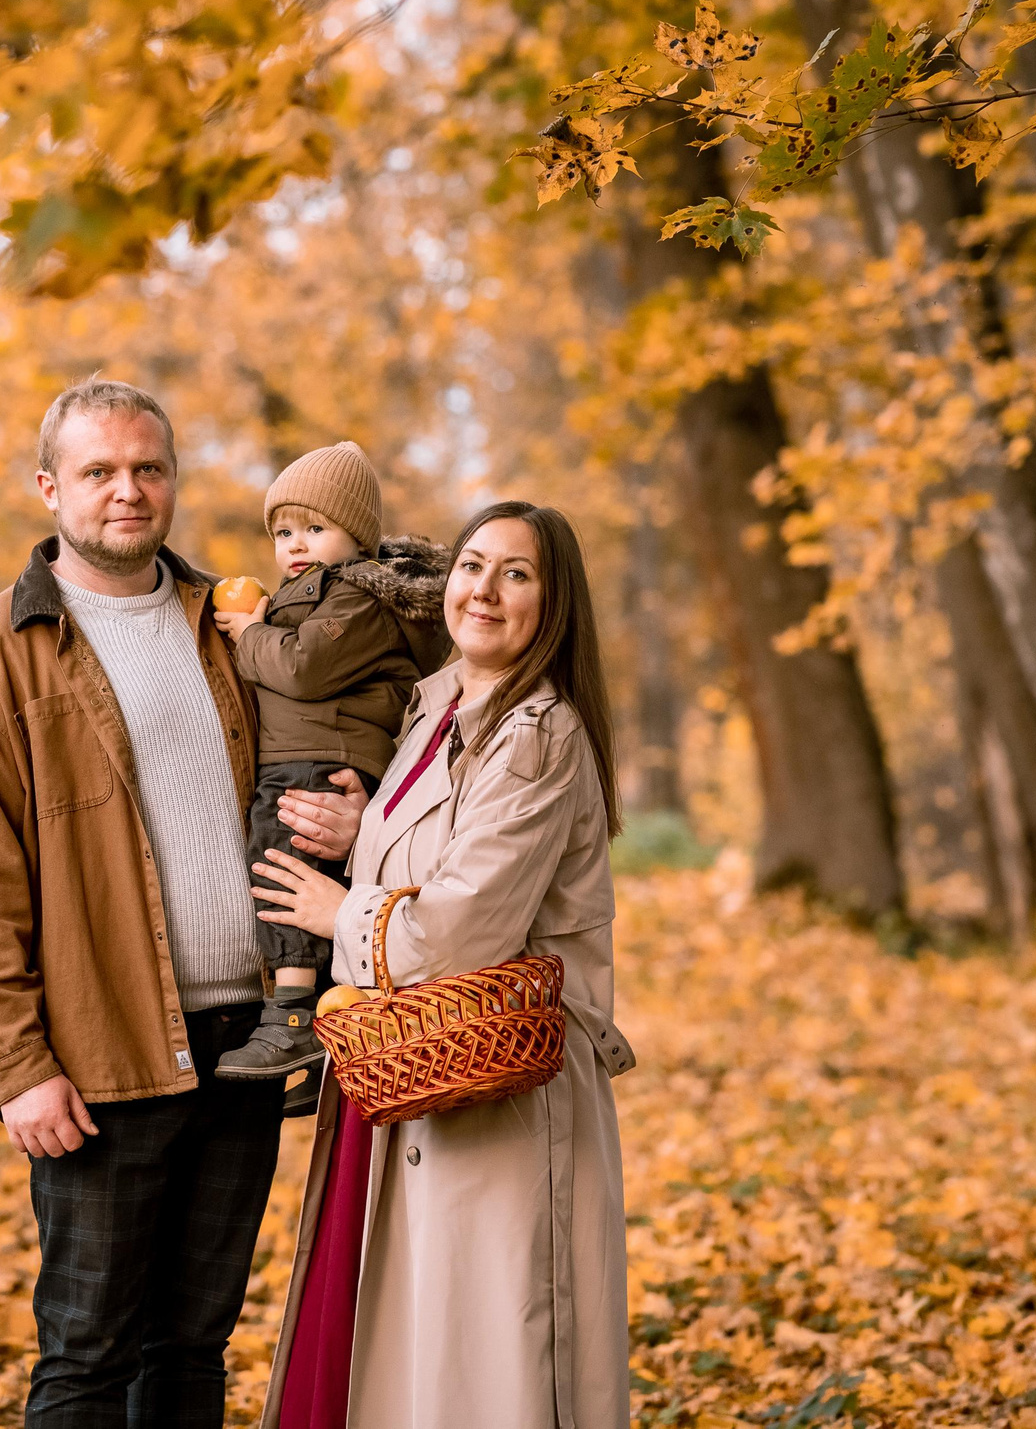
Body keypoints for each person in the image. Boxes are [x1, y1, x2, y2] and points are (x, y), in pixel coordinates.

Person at [0, 379, 357, 1429]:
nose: (128, 491)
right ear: (47, 488)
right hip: (102, 1053)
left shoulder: (238, 625)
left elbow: (324, 753)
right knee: (86, 1355)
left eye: (148, 468)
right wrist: (18, 1067)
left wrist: (352, 824)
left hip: (247, 1039)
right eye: (99, 471)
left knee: (192, 1346)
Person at [252, 500, 640, 1429]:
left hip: (500, 1098)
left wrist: (337, 909)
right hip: (414, 1075)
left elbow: (460, 928)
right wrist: (365, 827)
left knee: (486, 1370)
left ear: (554, 604)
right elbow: (441, 852)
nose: (486, 590)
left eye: (518, 574)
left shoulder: (539, 732)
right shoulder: (436, 705)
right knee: (416, 1365)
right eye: (473, 565)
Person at [209, 440, 451, 1088]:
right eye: (284, 529)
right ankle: (327, 1031)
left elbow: (304, 666)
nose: (296, 542)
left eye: (315, 527)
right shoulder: (310, 592)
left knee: (283, 862)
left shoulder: (356, 595)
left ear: (357, 536)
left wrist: (249, 634)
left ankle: (290, 1014)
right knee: (288, 860)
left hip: (320, 758)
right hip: (303, 754)